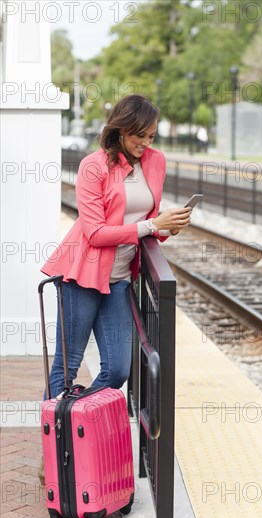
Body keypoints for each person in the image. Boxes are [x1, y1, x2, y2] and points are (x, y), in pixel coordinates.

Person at [41, 93, 191, 399]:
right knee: (67, 366)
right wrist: (153, 225)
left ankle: (79, 418)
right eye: (139, 135)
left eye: (151, 135)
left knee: (119, 368)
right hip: (81, 274)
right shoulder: (93, 167)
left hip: (120, 279)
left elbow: (148, 219)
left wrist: (167, 228)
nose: (145, 143)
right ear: (121, 129)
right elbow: (95, 232)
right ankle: (57, 439)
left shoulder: (155, 161)